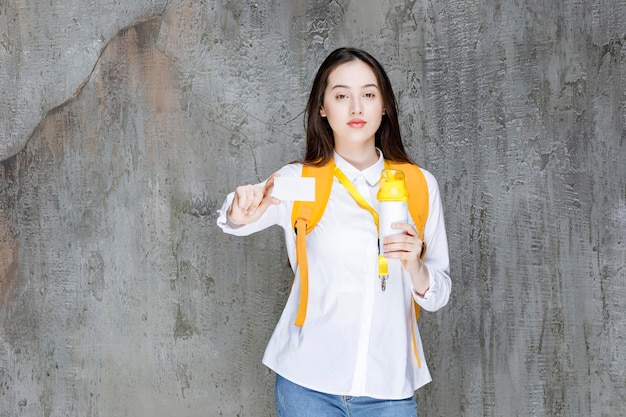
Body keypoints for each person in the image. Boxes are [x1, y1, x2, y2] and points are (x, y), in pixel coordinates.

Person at [217, 47, 451, 417]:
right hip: (307, 385)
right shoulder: (304, 181)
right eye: (342, 96)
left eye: (368, 95)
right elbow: (237, 219)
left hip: (389, 387)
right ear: (323, 108)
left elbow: (438, 294)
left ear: (385, 104)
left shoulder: (420, 185)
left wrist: (415, 267)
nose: (356, 108)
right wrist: (240, 206)